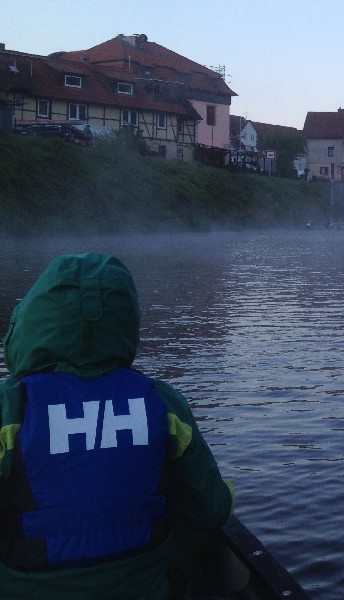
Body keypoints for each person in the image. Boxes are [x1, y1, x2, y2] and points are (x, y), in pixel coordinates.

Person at [0, 253, 234, 599]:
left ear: (34, 320)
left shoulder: (10, 407)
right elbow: (212, 507)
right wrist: (176, 562)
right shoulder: (162, 402)